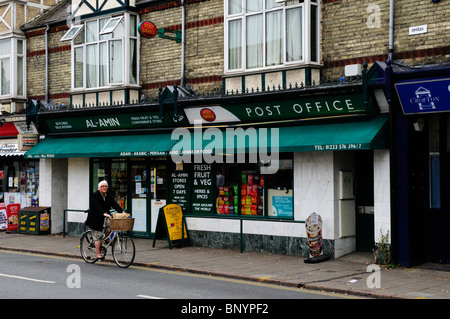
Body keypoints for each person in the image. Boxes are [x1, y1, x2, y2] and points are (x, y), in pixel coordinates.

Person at [86, 180, 124, 261]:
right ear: (99, 188)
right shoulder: (94, 195)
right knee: (98, 236)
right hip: (95, 218)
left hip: (105, 216)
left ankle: (107, 238)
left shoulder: (108, 195)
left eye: (106, 186)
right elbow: (96, 206)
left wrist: (122, 211)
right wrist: (103, 213)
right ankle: (99, 255)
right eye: (102, 186)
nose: (104, 188)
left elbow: (114, 204)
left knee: (113, 224)